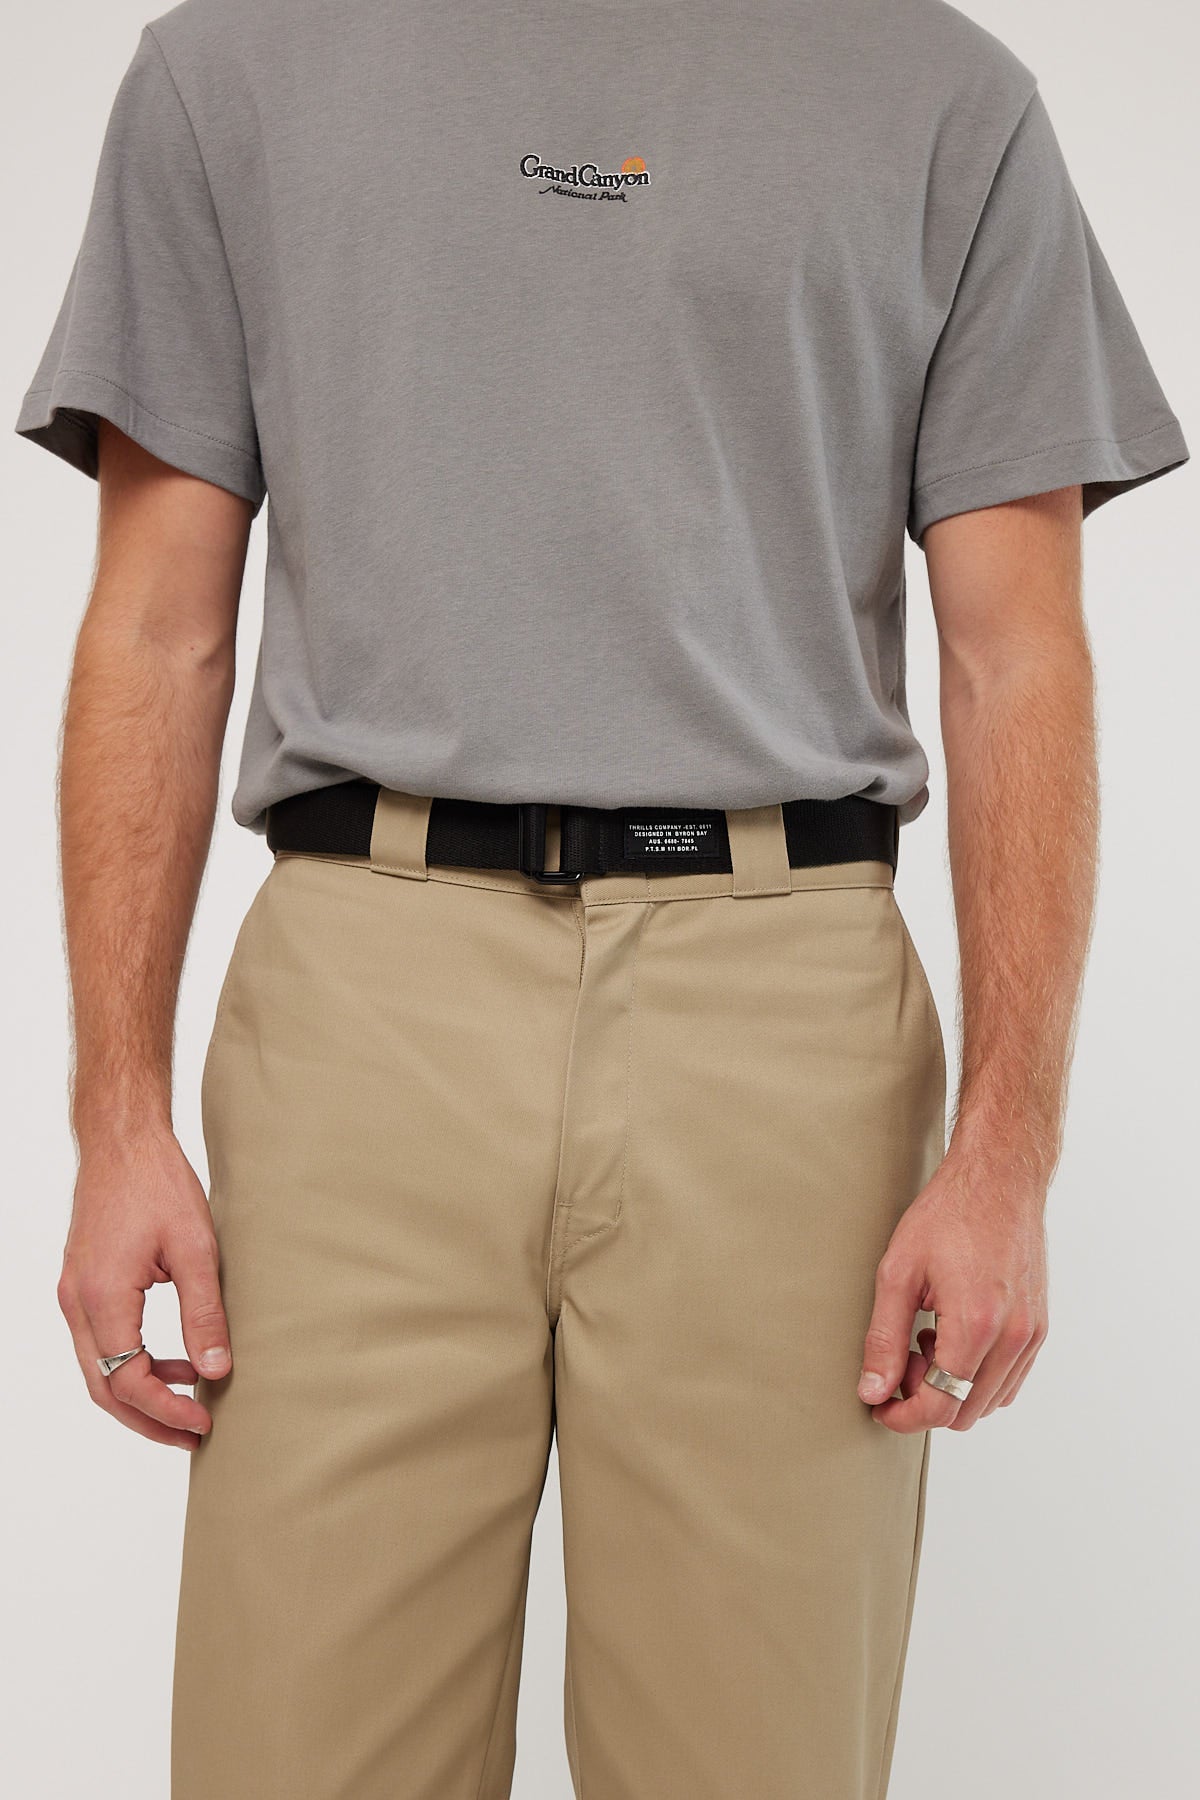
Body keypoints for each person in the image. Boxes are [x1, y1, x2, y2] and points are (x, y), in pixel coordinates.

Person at [15, 0, 1188, 1795]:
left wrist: (1008, 1151)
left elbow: (1018, 654)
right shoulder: (230, 71)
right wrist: (115, 1120)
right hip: (363, 1000)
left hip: (784, 1011)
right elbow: (159, 627)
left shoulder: (946, 99)